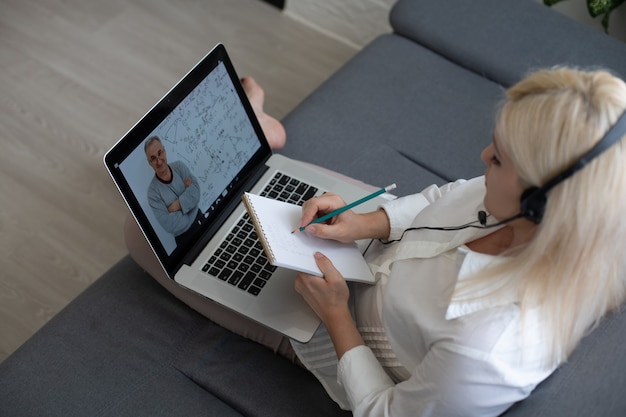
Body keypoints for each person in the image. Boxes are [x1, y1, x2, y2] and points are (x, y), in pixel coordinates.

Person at [126, 68, 626, 416]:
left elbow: (386, 412)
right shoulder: (527, 209)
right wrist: (367, 223)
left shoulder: (489, 349)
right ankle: (262, 136)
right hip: (368, 247)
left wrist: (336, 316)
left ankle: (260, 129)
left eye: (498, 160)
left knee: (140, 235)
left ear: (541, 204)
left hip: (333, 330)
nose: (482, 155)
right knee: (264, 180)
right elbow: (445, 196)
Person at [145, 136, 203, 248]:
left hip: (201, 220)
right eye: (153, 158)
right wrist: (188, 200)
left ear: (164, 151)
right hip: (184, 240)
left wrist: (177, 205)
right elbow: (169, 225)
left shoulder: (179, 167)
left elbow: (196, 191)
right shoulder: (152, 193)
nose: (159, 161)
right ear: (149, 163)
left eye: (160, 153)